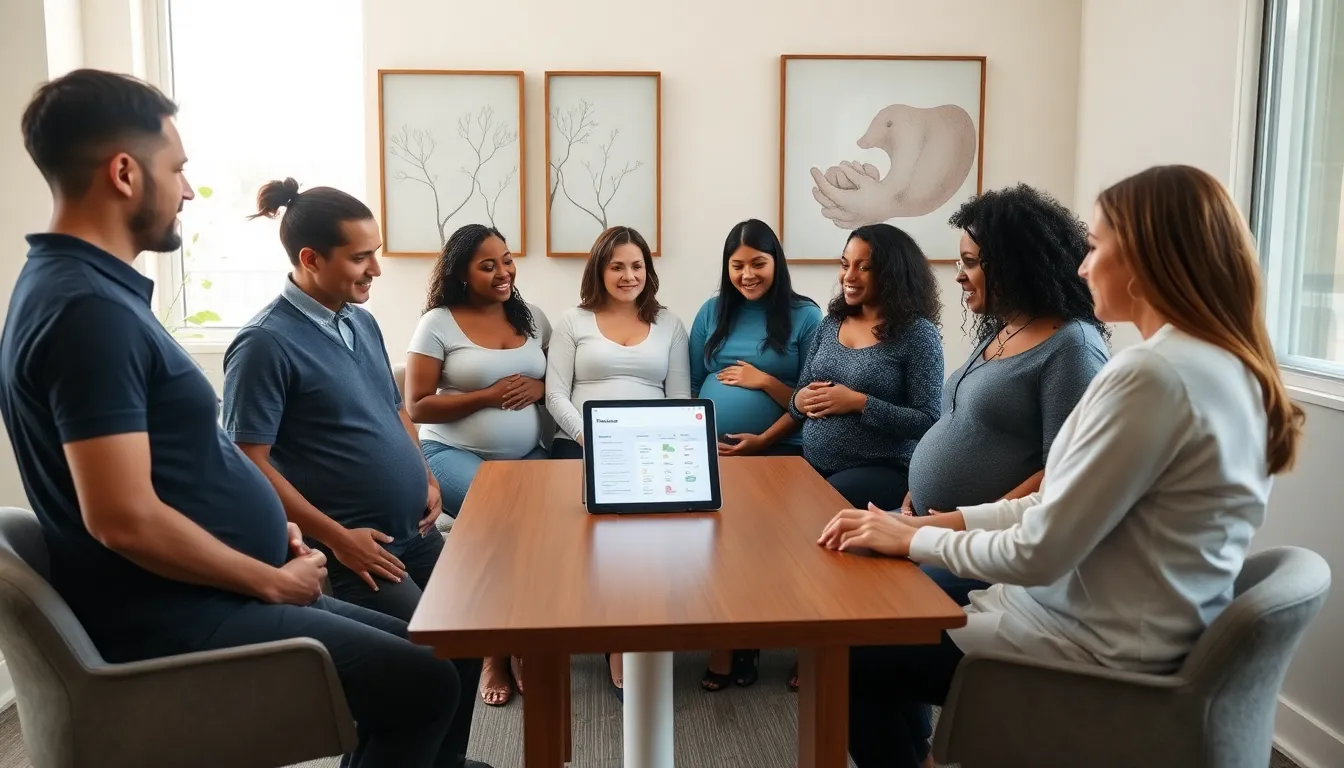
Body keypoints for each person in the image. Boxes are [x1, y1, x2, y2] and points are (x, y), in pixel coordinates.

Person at [3, 68, 468, 767]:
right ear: (125, 172)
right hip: (186, 612)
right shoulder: (87, 312)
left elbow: (174, 467)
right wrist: (267, 577)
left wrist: (260, 526)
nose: (188, 190)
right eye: (178, 169)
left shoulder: (85, 292)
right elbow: (120, 517)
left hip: (220, 582)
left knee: (433, 661)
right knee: (424, 682)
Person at [819, 164, 1305, 768]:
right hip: (1110, 623)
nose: (1081, 265)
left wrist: (920, 543)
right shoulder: (1215, 364)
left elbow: (1039, 551)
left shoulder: (1151, 375)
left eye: (1097, 247)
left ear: (1152, 257)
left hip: (1085, 648)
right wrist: (922, 529)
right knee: (874, 626)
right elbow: (1053, 504)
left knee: (853, 651)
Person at [219, 179, 488, 767]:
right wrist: (338, 541)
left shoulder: (357, 321)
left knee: (468, 638)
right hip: (353, 548)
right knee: (418, 670)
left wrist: (426, 475)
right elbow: (248, 462)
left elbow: (394, 409)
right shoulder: (263, 344)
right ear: (311, 260)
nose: (377, 270)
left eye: (376, 252)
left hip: (411, 530)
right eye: (361, 257)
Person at [898, 184, 1109, 608]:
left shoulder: (1072, 349)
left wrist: (960, 524)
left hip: (985, 545)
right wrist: (914, 494)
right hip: (934, 524)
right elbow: (957, 423)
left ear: (1014, 267)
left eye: (971, 263)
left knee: (880, 603)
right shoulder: (1004, 327)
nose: (959, 274)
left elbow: (1060, 474)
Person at [406, 223, 550, 707]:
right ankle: (496, 650)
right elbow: (418, 405)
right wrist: (485, 397)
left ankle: (522, 637)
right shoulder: (438, 323)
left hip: (530, 457)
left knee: (538, 533)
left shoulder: (531, 319)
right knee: (503, 525)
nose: (503, 272)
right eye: (487, 265)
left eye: (506, 260)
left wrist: (542, 389)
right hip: (452, 455)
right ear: (462, 274)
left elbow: (561, 381)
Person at [544, 225, 691, 697]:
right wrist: (594, 437)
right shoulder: (573, 321)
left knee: (654, 532)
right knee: (607, 532)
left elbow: (680, 398)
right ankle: (616, 641)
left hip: (649, 447)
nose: (629, 275)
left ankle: (645, 632)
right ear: (599, 270)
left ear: (648, 271)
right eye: (617, 266)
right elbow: (554, 396)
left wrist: (652, 444)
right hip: (583, 444)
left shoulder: (669, 323)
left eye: (637, 266)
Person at [689, 219, 821, 692]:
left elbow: (812, 397)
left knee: (768, 547)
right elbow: (689, 386)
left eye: (758, 263)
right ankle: (729, 641)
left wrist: (763, 383)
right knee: (716, 546)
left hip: (780, 449)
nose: (747, 274)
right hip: (716, 452)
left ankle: (759, 638)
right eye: (738, 265)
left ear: (776, 263)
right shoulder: (711, 312)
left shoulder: (805, 317)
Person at [789, 223, 943, 512]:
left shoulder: (918, 334)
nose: (849, 276)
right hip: (813, 463)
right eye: (845, 264)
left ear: (891, 274)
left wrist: (858, 403)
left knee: (819, 504)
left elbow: (928, 421)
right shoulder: (830, 323)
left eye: (864, 267)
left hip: (883, 470)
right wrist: (800, 401)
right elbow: (797, 400)